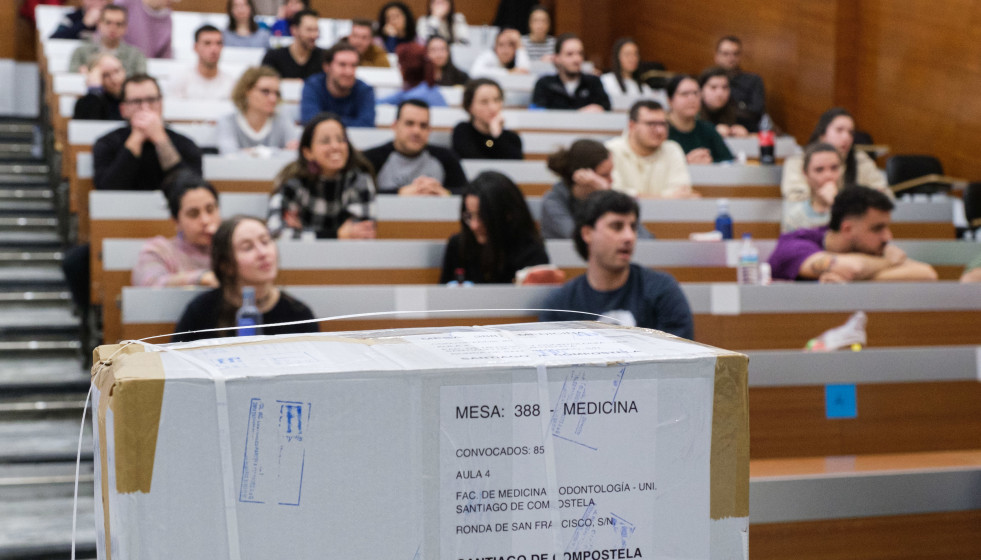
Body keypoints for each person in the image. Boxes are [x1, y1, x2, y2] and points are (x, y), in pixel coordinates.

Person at [539, 190, 694, 338]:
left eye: (633, 227)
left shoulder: (662, 290)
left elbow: (682, 354)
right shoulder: (559, 305)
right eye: (617, 226)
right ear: (587, 233)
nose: (629, 237)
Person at [171, 215, 319, 342]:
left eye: (265, 241)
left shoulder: (299, 314)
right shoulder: (201, 311)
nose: (262, 253)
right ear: (226, 265)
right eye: (248, 247)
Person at [768, 186, 938, 283]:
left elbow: (927, 274)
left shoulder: (869, 249)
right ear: (847, 229)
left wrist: (861, 272)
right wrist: (888, 262)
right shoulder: (794, 244)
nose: (887, 237)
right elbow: (853, 269)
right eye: (877, 228)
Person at [267, 112, 377, 239]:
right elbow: (276, 234)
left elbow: (362, 236)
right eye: (325, 141)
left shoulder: (359, 181)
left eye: (341, 140)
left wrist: (303, 232)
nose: (335, 146)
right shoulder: (293, 182)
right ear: (308, 152)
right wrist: (337, 235)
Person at [93, 74, 203, 190]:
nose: (145, 107)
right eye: (136, 101)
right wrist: (136, 138)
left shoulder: (185, 144)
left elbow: (191, 190)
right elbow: (107, 190)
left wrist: (160, 139)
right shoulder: (107, 143)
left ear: (161, 104)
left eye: (151, 100)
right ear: (123, 109)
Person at [439, 171, 548, 284]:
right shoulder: (458, 246)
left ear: (508, 215)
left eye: (482, 217)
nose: (474, 225)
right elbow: (443, 292)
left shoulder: (531, 252)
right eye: (469, 216)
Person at [542, 139, 654, 240]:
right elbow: (581, 239)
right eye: (604, 175)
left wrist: (608, 197)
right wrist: (606, 195)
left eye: (611, 173)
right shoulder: (553, 202)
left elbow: (647, 239)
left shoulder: (604, 198)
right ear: (582, 177)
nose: (611, 180)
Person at [132, 170, 221, 287]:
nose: (205, 220)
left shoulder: (233, 250)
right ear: (176, 221)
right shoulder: (159, 251)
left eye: (210, 210)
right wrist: (201, 278)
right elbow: (151, 283)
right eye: (193, 214)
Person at [781, 107, 890, 203]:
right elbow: (794, 198)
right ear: (822, 134)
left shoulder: (860, 159)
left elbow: (885, 195)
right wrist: (823, 199)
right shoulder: (798, 161)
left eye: (851, 133)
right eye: (839, 130)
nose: (846, 137)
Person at [363, 99, 467, 195]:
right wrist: (399, 193)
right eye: (409, 123)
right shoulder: (370, 159)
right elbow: (360, 194)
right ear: (395, 126)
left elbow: (467, 194)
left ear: (429, 130)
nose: (416, 131)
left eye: (423, 126)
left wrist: (445, 193)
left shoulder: (447, 157)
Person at [605, 100, 694, 198]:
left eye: (663, 124)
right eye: (651, 124)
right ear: (632, 126)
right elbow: (613, 194)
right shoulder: (611, 150)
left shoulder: (672, 149)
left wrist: (635, 196)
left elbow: (682, 193)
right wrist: (667, 198)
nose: (660, 130)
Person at [215, 66, 299, 155]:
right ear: (246, 91)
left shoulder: (282, 121)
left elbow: (294, 153)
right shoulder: (228, 122)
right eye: (265, 91)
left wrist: (250, 152)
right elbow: (229, 154)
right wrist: (275, 152)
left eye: (276, 93)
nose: (273, 99)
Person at [299, 42, 376, 126]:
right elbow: (310, 121)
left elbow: (367, 125)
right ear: (327, 67)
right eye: (342, 65)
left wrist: (326, 122)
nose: (349, 72)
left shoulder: (364, 91)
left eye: (353, 65)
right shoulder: (313, 87)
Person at [532, 34, 611, 112]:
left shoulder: (593, 83)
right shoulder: (545, 84)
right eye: (569, 54)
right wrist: (579, 114)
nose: (577, 59)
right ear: (557, 58)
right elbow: (537, 114)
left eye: (580, 53)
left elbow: (607, 110)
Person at [666, 74, 733, 163]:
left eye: (696, 93)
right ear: (670, 100)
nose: (692, 98)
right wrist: (685, 162)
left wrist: (711, 162)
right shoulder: (661, 130)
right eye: (684, 94)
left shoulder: (708, 129)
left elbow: (728, 161)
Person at [451, 78, 522, 159]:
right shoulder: (463, 131)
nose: (493, 108)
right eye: (484, 102)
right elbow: (472, 160)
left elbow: (515, 164)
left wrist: (497, 136)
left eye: (496, 100)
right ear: (469, 106)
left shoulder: (512, 138)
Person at [69, 5, 146, 77]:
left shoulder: (136, 55)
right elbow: (71, 79)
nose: (113, 28)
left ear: (125, 27)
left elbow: (141, 81)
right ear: (99, 24)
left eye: (119, 24)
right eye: (108, 23)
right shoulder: (81, 52)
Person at [781, 142, 843, 233]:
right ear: (805, 174)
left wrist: (835, 202)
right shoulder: (794, 218)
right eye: (819, 170)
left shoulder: (856, 210)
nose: (828, 175)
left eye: (834, 168)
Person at [168, 25, 235, 100]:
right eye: (207, 43)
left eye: (218, 43)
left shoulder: (230, 83)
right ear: (196, 47)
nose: (214, 49)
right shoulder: (181, 81)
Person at [713, 36, 765, 132]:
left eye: (735, 54)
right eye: (725, 54)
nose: (731, 58)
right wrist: (740, 107)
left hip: (747, 131)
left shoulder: (753, 80)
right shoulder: (709, 80)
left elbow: (756, 111)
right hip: (715, 130)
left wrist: (724, 108)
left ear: (740, 56)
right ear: (716, 56)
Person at [378, 42, 447, 107]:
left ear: (405, 68)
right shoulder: (419, 88)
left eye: (399, 64)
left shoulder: (414, 97)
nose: (399, 68)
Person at [260, 9, 324, 80]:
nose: (314, 35)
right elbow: (263, 81)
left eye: (316, 30)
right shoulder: (273, 57)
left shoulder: (324, 57)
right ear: (294, 30)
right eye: (309, 30)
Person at [73, 53, 125, 120]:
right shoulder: (87, 102)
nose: (114, 79)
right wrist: (94, 90)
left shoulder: (132, 96)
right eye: (106, 75)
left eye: (117, 71)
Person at [698, 66, 748, 138]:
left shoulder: (735, 111)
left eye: (725, 87)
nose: (720, 93)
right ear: (701, 90)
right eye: (713, 87)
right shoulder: (693, 112)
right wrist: (713, 132)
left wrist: (741, 134)